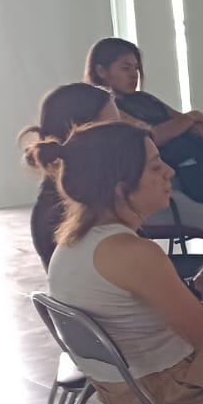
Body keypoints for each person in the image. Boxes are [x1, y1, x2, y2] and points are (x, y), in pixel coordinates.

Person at [32, 121, 203, 404]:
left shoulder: (74, 241)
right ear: (121, 188)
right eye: (156, 167)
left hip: (128, 396)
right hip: (172, 402)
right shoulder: (130, 251)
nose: (170, 172)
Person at [85, 37, 203, 295]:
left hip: (184, 184)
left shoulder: (145, 100)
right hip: (148, 200)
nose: (134, 74)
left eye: (136, 68)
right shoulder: (104, 110)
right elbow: (154, 135)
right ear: (101, 70)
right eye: (125, 68)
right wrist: (190, 117)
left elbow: (195, 125)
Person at [21, 83, 121, 269]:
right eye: (113, 129)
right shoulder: (66, 212)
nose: (123, 138)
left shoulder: (84, 195)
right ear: (81, 135)